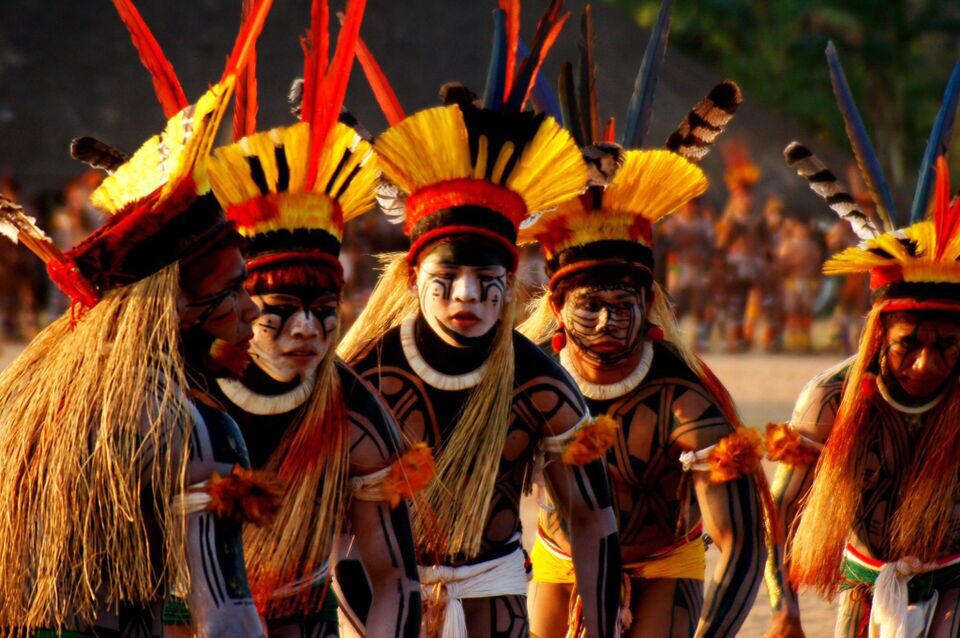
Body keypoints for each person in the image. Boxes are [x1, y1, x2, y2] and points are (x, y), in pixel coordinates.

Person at [339, 6, 622, 634]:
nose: (466, 297)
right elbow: (326, 520)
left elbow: (592, 517)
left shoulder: (538, 382)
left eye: (486, 280)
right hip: (378, 591)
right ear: (412, 279)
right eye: (446, 280)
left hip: (493, 588)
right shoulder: (364, 375)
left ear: (511, 283)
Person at [0, 1, 274, 635]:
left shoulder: (33, 403)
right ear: (172, 307)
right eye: (233, 290)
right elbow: (226, 615)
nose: (252, 309)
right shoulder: (194, 428)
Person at [161, 3, 427, 636]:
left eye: (324, 312)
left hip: (304, 619)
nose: (307, 330)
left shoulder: (356, 414)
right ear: (242, 306)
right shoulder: (177, 397)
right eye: (281, 313)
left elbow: (395, 579)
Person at [520, 146, 768, 638]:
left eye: (621, 303)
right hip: (560, 560)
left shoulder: (684, 399)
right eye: (590, 305)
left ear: (649, 300)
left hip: (662, 565)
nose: (606, 321)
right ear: (557, 304)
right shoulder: (530, 383)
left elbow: (741, 542)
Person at [766, 48, 960, 638]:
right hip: (864, 584)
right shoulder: (829, 399)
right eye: (908, 345)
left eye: (947, 346)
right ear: (879, 336)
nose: (926, 363)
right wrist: (784, 609)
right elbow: (779, 512)